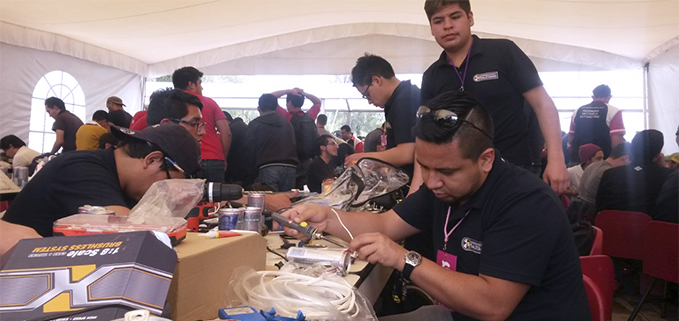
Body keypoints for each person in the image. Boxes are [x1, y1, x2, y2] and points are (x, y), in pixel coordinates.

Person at [279, 91, 590, 321]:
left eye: (446, 171)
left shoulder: (526, 203)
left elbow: (493, 305)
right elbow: (387, 225)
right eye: (425, 167)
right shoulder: (442, 188)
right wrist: (327, 216)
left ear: (486, 160)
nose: (432, 181)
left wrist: (405, 259)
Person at [421, 0, 569, 195]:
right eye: (438, 21)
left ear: (470, 18)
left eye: (455, 17)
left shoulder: (503, 52)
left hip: (513, 169)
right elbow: (427, 136)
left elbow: (542, 104)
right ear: (432, 28)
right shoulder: (432, 75)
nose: (447, 25)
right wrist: (419, 185)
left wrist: (556, 158)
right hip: (460, 179)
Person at [2, 123, 202, 237]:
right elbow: (129, 235)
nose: (164, 193)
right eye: (166, 183)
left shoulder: (122, 183)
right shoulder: (81, 169)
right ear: (152, 160)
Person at [345, 54, 421, 190]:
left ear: (376, 80)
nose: (369, 101)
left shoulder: (405, 100)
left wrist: (364, 158)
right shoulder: (395, 101)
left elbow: (407, 153)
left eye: (367, 94)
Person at [173, 66, 232, 183]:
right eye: (200, 83)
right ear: (191, 84)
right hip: (213, 158)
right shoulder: (210, 103)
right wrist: (222, 157)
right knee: (216, 198)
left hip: (183, 159)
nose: (202, 87)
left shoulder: (170, 103)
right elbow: (227, 133)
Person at [596, 129, 672, 215]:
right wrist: (665, 166)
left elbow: (599, 206)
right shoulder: (667, 177)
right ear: (659, 153)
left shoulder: (609, 174)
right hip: (648, 227)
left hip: (608, 226)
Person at [245, 94, 299, 192]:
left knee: (270, 202)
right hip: (291, 167)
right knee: (287, 202)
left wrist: (251, 174)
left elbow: (249, 150)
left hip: (268, 167)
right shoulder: (287, 123)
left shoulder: (255, 124)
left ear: (259, 108)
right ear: (276, 108)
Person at [568, 142, 630, 222]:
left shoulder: (592, 165)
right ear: (625, 159)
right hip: (594, 217)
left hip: (580, 213)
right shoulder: (610, 172)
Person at [568, 85, 625, 165]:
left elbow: (570, 139)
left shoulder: (577, 111)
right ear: (609, 97)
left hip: (577, 159)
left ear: (593, 97)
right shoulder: (614, 111)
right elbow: (617, 142)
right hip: (601, 160)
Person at [223, 111, 251, 187]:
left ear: (225, 121)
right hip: (249, 168)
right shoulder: (243, 126)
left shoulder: (232, 130)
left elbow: (230, 153)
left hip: (238, 170)